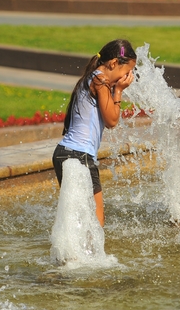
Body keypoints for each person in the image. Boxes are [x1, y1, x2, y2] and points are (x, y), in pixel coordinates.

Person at [52, 39, 137, 227]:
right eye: (127, 71)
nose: (128, 77)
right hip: (79, 155)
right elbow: (112, 120)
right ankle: (89, 255)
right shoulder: (101, 80)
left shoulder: (93, 77)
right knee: (96, 221)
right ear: (114, 63)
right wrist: (119, 92)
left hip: (64, 153)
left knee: (77, 217)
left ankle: (70, 254)